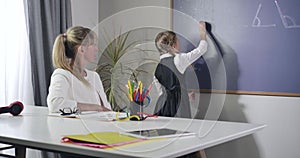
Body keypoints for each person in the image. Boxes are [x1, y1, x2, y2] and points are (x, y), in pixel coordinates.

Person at [47, 26, 112, 114]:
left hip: (100, 125)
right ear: (81, 49)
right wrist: (95, 107)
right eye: (93, 45)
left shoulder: (94, 76)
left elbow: (106, 107)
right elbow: (55, 104)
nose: (97, 49)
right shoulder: (62, 74)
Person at [154, 21, 208, 118]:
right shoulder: (179, 59)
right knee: (182, 131)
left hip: (162, 108)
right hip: (179, 108)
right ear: (173, 46)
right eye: (178, 40)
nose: (180, 43)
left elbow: (164, 93)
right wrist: (203, 33)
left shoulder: (157, 68)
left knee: (166, 132)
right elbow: (201, 49)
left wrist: (185, 95)